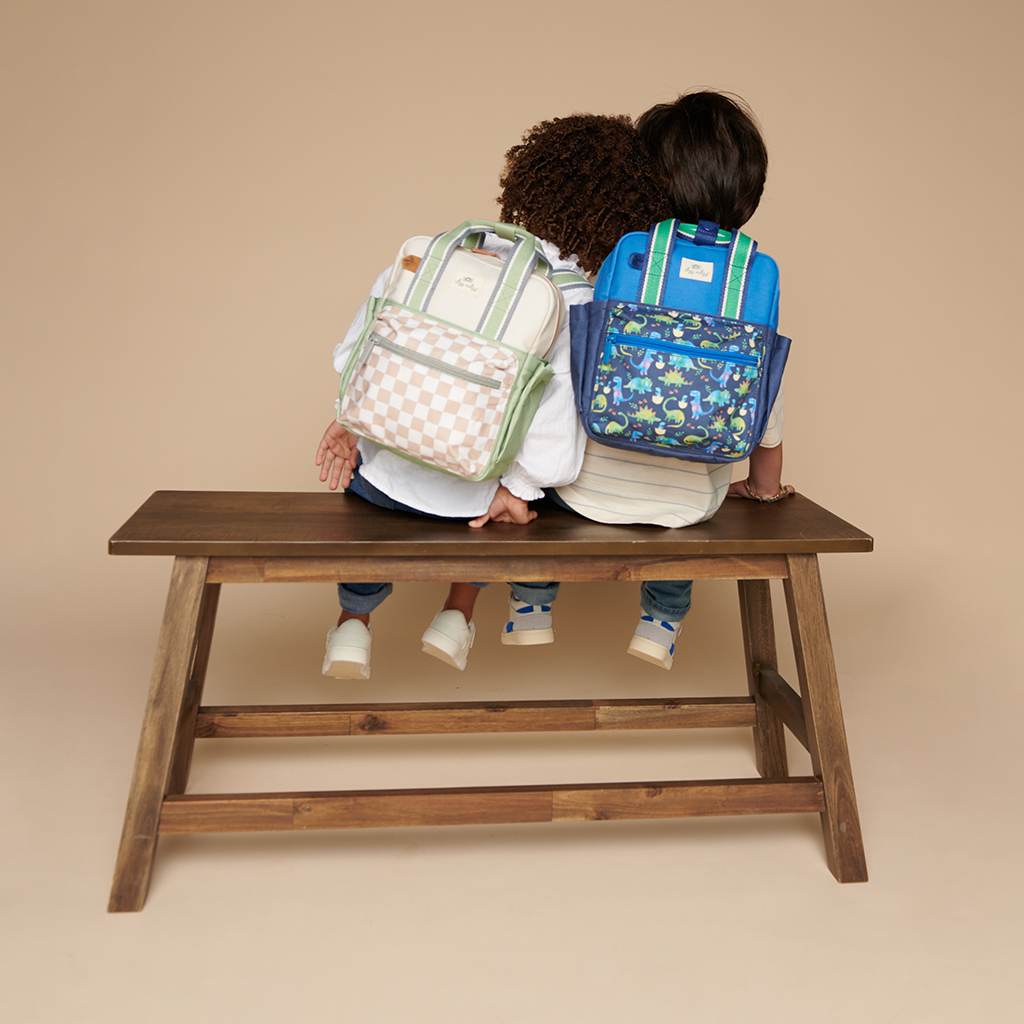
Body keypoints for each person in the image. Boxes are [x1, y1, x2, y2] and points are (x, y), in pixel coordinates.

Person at [315, 114, 671, 679]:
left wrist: (349, 420)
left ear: (528, 178)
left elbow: (358, 348)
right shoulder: (573, 298)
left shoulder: (438, 252)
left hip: (381, 476)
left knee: (376, 498)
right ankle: (457, 612)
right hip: (471, 499)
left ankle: (352, 624)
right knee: (511, 503)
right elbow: (556, 429)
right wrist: (519, 490)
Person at [542, 91, 794, 670]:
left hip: (586, 493)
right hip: (688, 507)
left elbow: (565, 377)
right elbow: (766, 418)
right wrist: (761, 489)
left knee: (549, 484)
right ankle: (662, 622)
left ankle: (531, 601)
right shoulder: (751, 279)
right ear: (748, 190)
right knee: (684, 521)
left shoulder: (627, 258)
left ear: (647, 180)